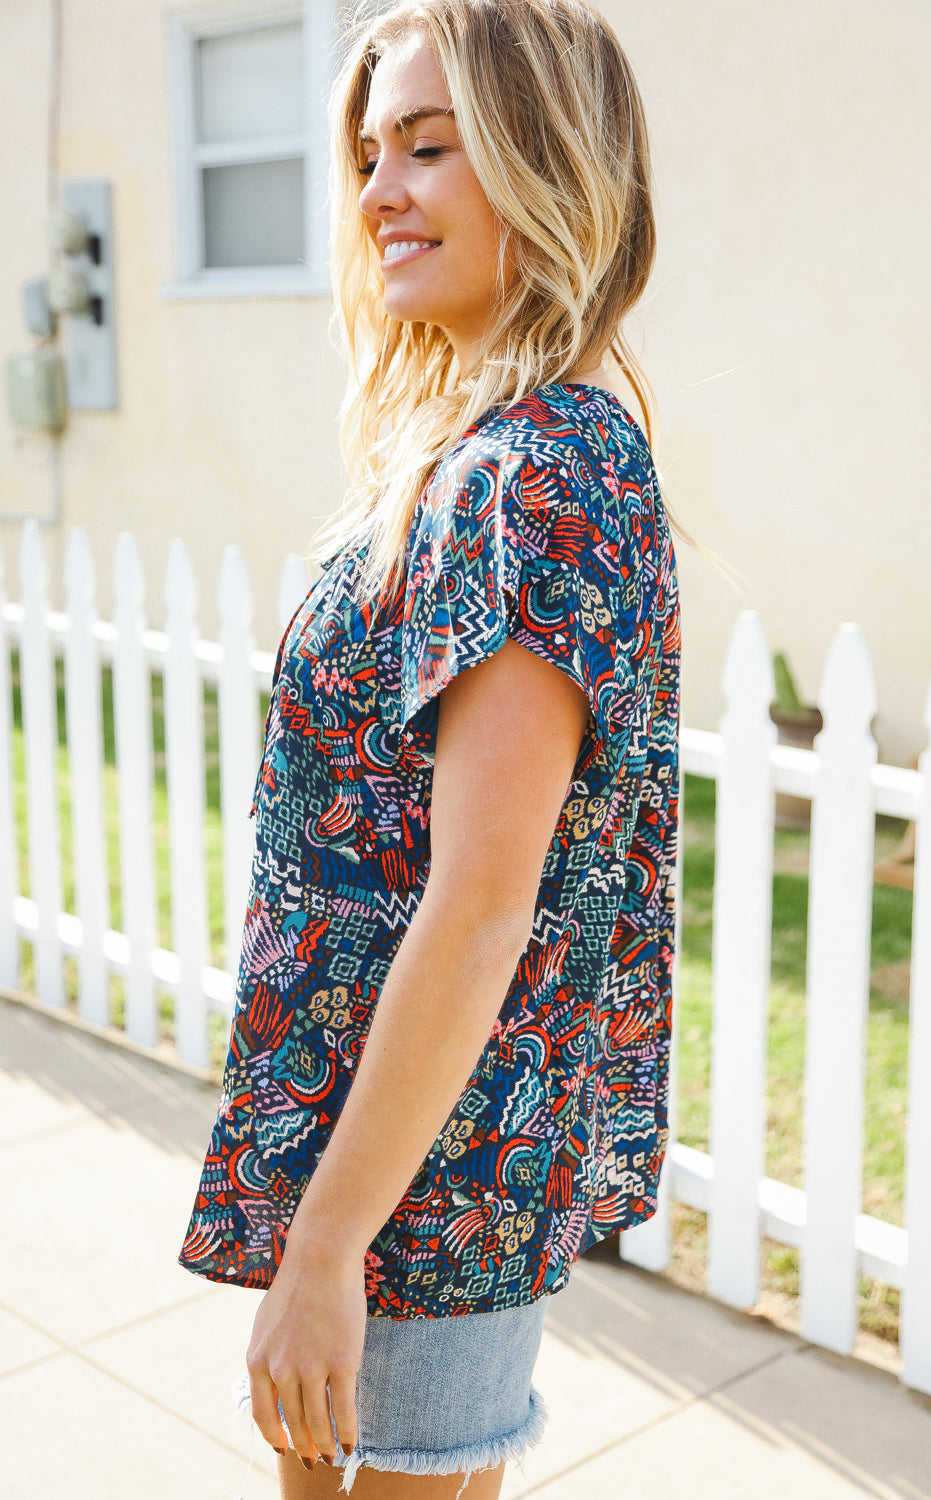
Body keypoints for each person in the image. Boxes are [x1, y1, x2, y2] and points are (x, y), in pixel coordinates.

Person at [177, 1, 682, 1495]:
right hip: (390, 1162)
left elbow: (478, 910)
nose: (376, 192)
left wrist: (328, 1247)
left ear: (542, 162)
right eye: (368, 155)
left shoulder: (537, 474)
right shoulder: (492, 452)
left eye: (427, 148)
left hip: (421, 1197)